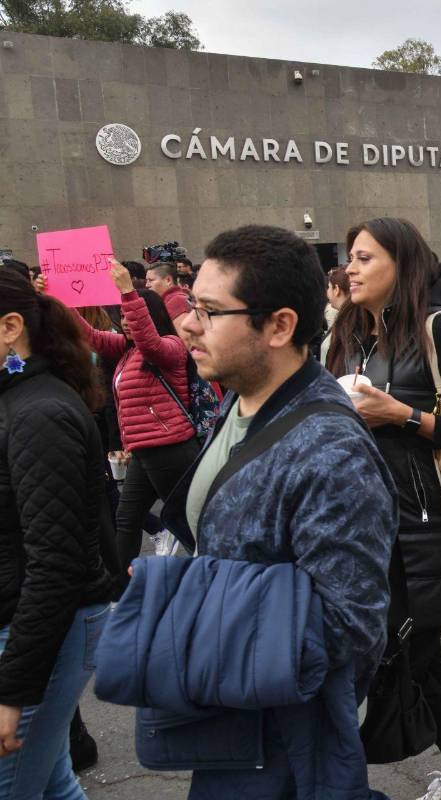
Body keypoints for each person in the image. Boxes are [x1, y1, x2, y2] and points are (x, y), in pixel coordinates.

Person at [149, 224, 398, 798]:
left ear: (280, 326)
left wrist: (210, 633)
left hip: (284, 730)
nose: (188, 325)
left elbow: (350, 625)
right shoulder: (242, 399)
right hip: (231, 712)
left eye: (210, 311)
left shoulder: (330, 451)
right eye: (191, 306)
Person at [326, 218, 441, 799]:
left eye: (364, 257)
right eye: (350, 257)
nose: (351, 268)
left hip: (426, 525)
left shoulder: (438, 330)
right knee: (411, 649)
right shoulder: (349, 335)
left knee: (413, 648)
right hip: (367, 522)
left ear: (402, 264)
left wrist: (402, 415)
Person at [0, 270, 111, 800]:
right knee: (51, 786)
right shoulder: (17, 399)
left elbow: (55, 563)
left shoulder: (39, 412)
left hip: (39, 628)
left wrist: (12, 691)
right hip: (30, 623)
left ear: (10, 328)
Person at [73, 262, 199, 573]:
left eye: (131, 315)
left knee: (188, 521)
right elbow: (91, 336)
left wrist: (129, 292)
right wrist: (61, 302)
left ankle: (220, 571)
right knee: (127, 518)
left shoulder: (170, 347)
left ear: (150, 315)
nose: (125, 322)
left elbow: (150, 342)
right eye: (122, 315)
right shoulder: (128, 350)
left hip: (169, 448)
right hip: (146, 449)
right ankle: (121, 587)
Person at [144, 262, 191, 337]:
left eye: (151, 280)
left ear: (168, 280)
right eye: (146, 281)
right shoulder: (167, 300)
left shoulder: (177, 300)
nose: (147, 285)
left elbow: (185, 338)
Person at [320, 266, 350, 364]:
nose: (327, 292)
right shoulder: (344, 319)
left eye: (328, 287)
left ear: (336, 289)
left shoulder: (348, 324)